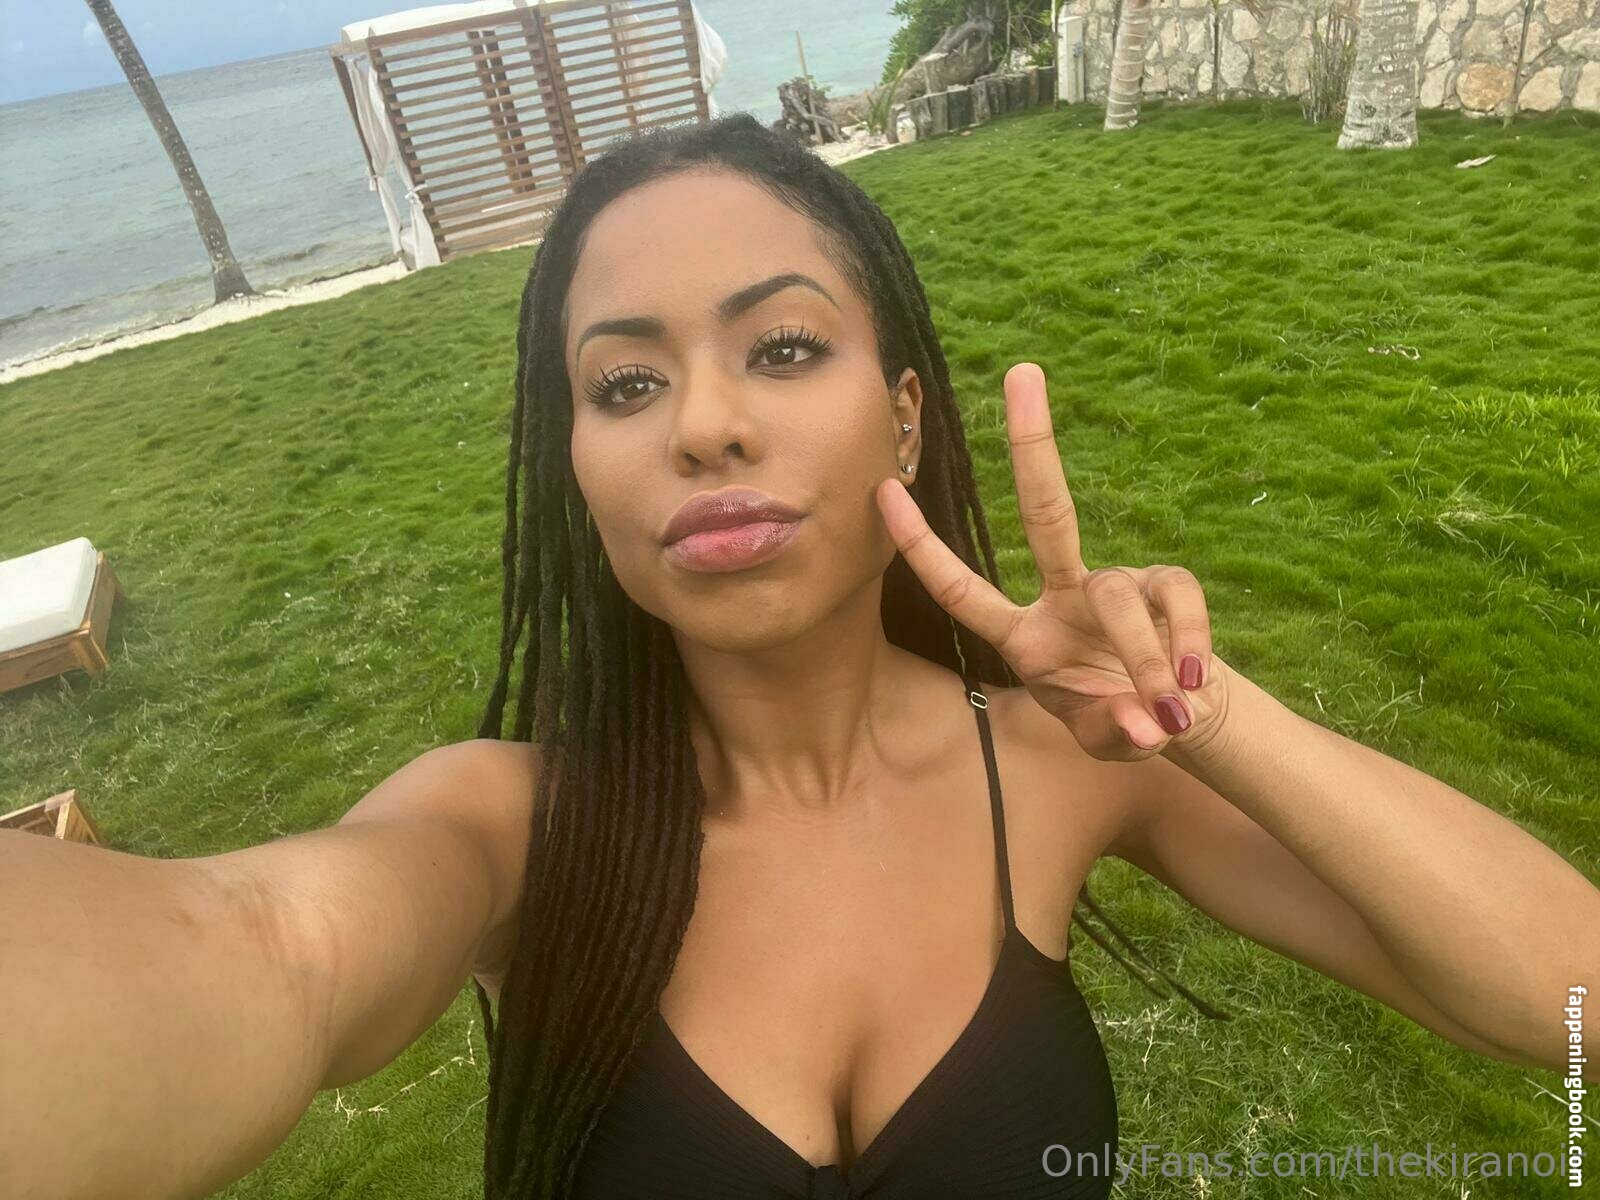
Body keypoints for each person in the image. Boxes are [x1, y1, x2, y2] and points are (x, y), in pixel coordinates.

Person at [3, 112, 1595, 1200]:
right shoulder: (508, 830)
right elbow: (263, 955)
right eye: (626, 386)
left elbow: (1566, 1004)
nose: (704, 423)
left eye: (780, 347)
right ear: (579, 469)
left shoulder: (1058, 768)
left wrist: (1206, 715)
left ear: (901, 416)